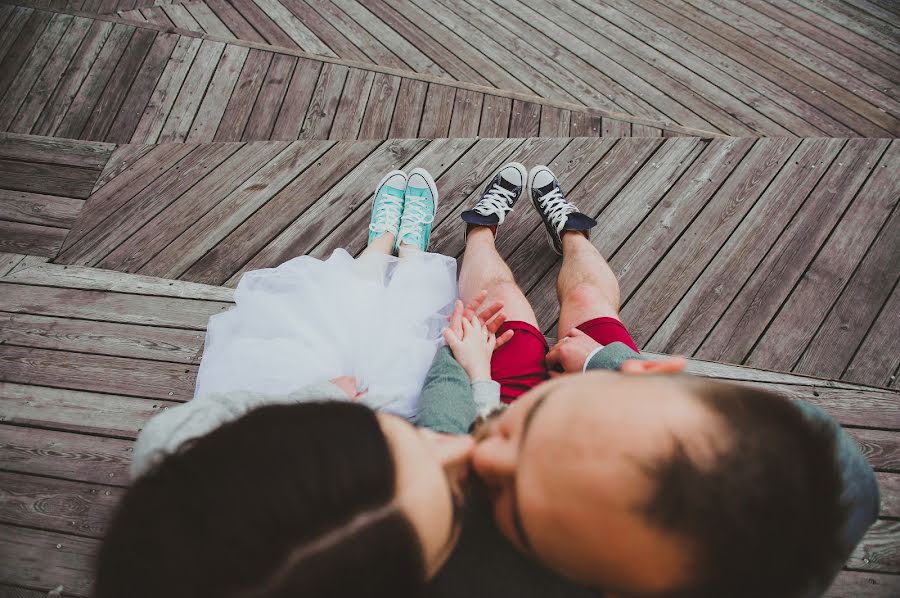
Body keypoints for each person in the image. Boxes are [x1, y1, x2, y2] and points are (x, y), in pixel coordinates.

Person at [426, 163, 880, 598]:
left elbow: (442, 438)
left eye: (507, 496)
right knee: (589, 301)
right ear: (645, 376)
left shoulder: (466, 567)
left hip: (486, 388)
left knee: (497, 304)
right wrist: (603, 363)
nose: (481, 455)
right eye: (521, 428)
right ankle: (572, 232)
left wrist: (464, 362)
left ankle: (480, 230)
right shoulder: (833, 475)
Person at [95, 169, 510, 598]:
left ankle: (382, 245)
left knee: (329, 319)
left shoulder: (171, 448)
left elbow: (239, 413)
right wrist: (478, 376)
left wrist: (321, 397)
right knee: (403, 340)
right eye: (453, 501)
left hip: (285, 403)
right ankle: (410, 256)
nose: (471, 446)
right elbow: (453, 433)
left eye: (393, 438)